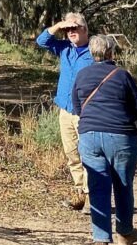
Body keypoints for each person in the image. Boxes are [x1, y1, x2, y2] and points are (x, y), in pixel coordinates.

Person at [72, 34, 137, 245]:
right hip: (121, 136)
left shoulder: (82, 74)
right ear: (111, 53)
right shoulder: (122, 75)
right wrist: (122, 119)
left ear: (92, 53)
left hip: (89, 136)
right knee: (123, 185)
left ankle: (101, 243)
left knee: (98, 188)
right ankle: (124, 233)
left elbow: (76, 106)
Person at [36, 12, 94, 211]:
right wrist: (59, 24)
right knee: (72, 154)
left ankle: (91, 197)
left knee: (88, 154)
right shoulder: (64, 49)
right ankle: (79, 193)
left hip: (85, 112)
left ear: (85, 29)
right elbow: (42, 41)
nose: (71, 32)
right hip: (65, 111)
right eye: (68, 29)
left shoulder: (94, 52)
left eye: (74, 28)